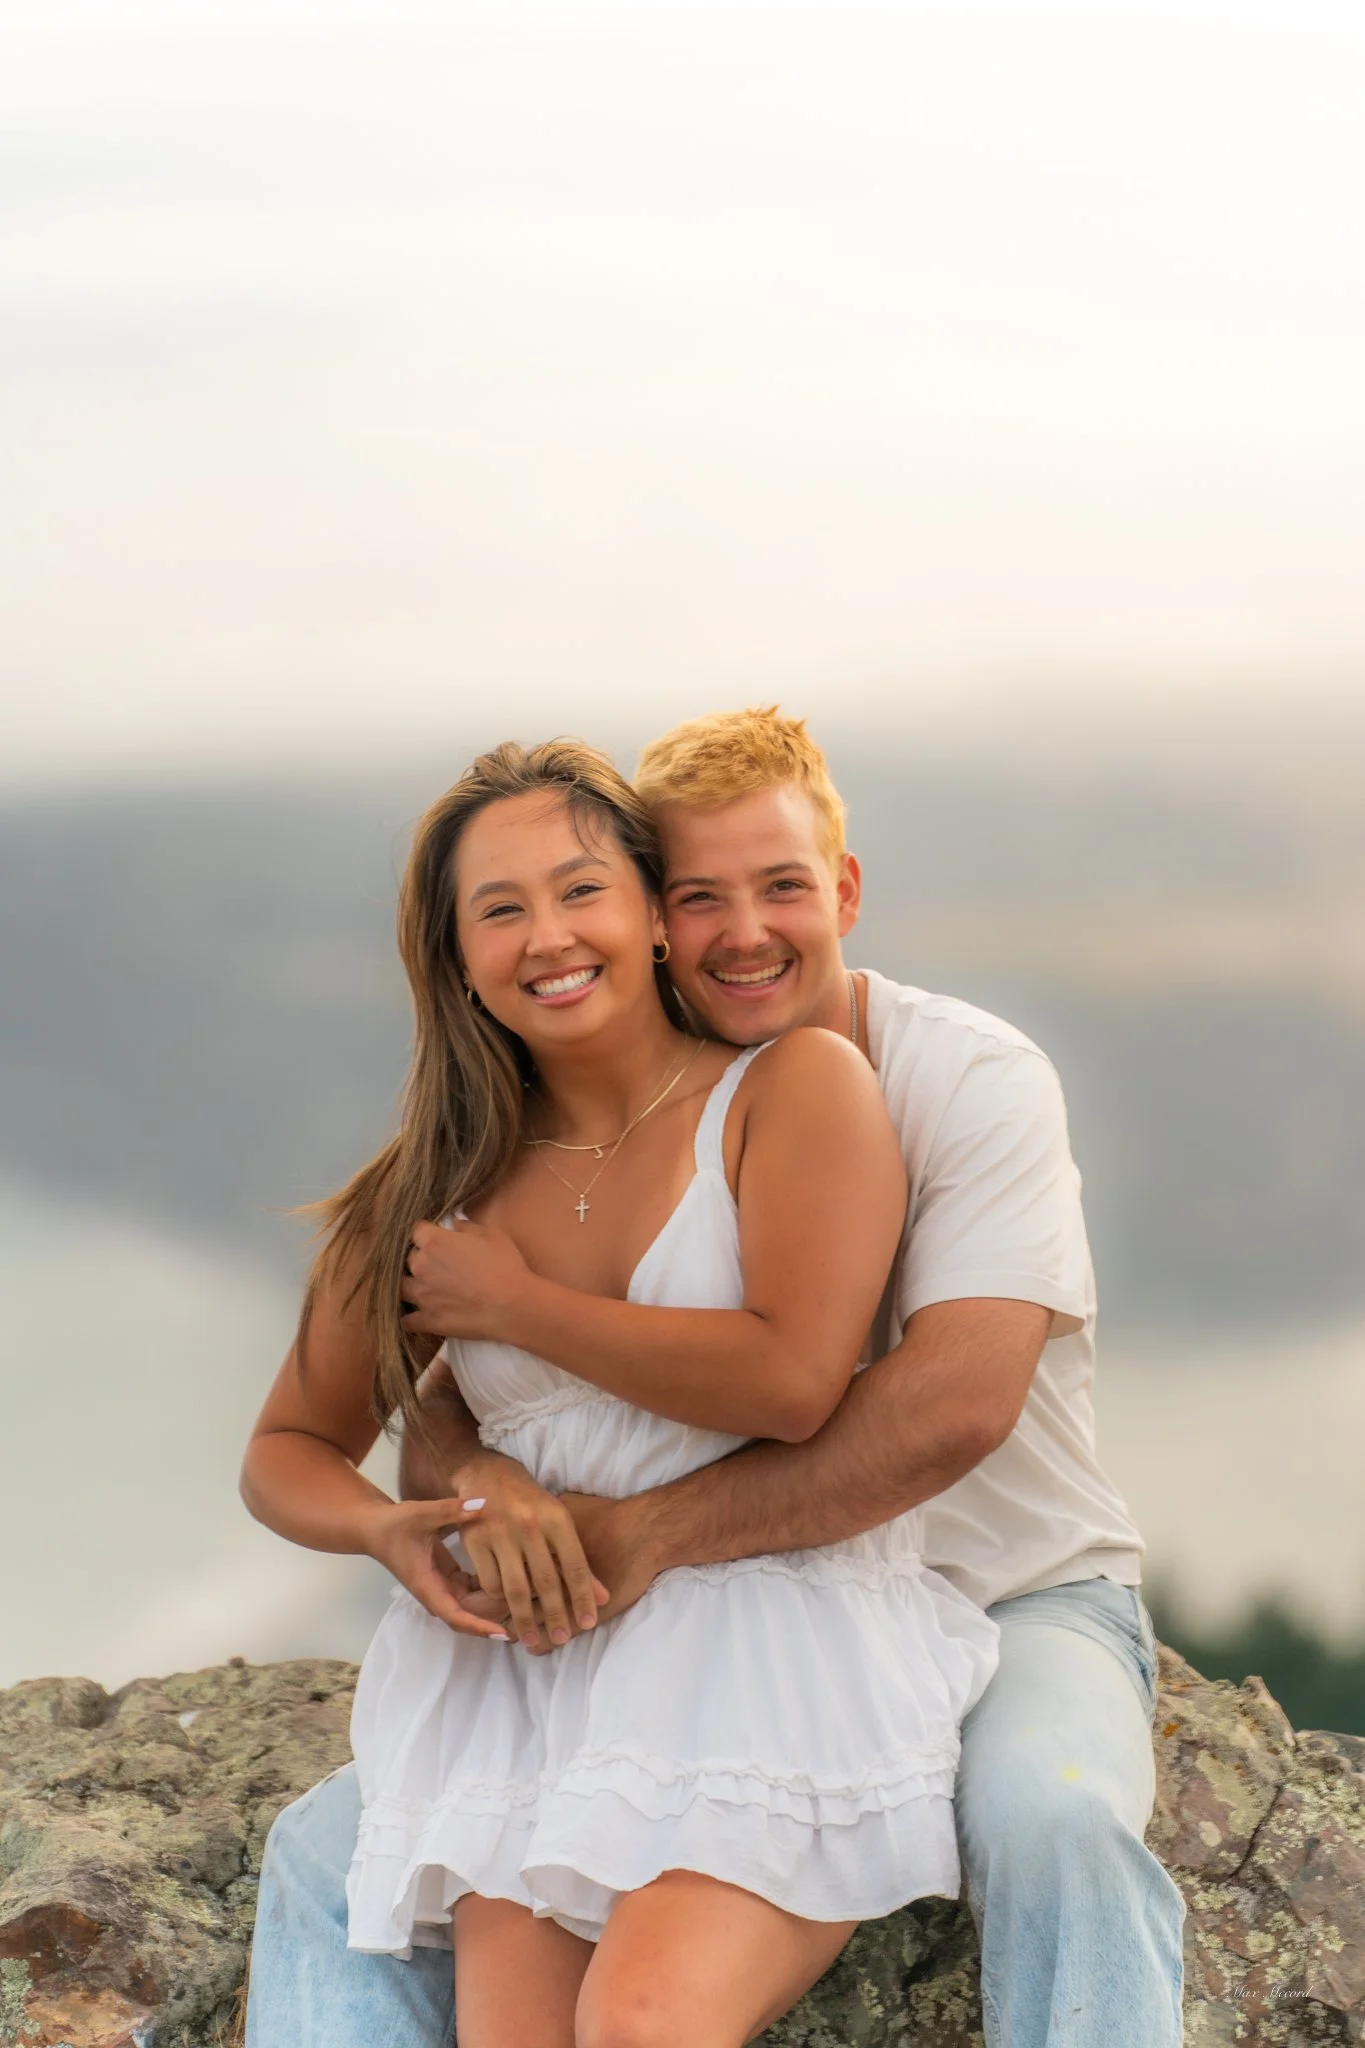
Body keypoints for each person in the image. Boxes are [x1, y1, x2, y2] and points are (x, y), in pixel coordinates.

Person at [245, 708, 1187, 2048]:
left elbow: (935, 1406)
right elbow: (433, 1403)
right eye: (700, 897)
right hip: (599, 1643)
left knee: (1056, 1815)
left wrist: (594, 1455)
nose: (743, 933)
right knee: (319, 1855)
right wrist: (462, 1490)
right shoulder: (469, 1165)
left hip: (989, 1584)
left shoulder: (938, 1081)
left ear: (845, 889)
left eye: (783, 887)